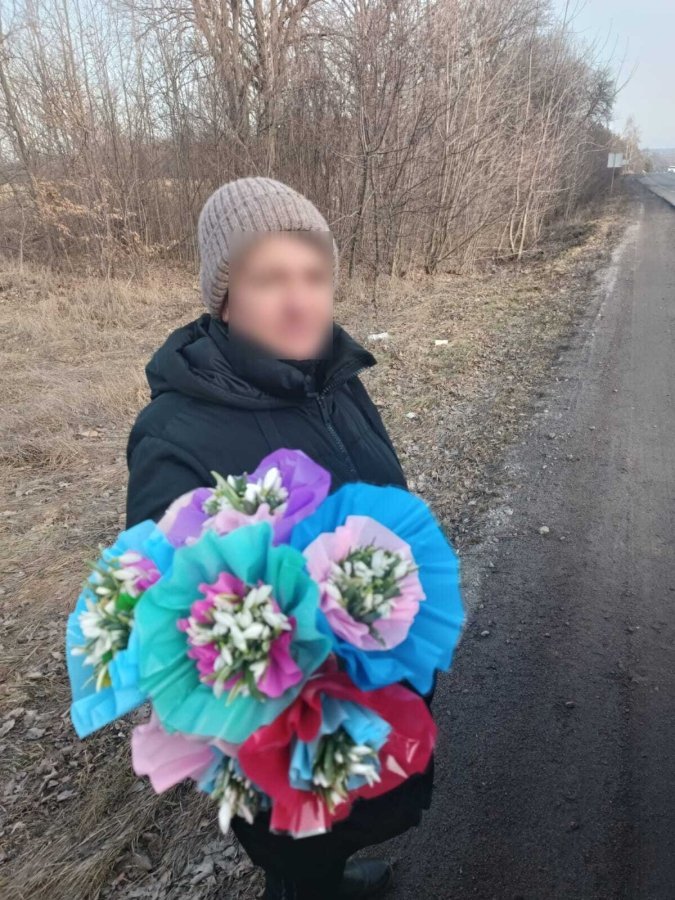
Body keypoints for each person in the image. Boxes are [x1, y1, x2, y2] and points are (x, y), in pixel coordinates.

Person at [125, 177, 434, 899]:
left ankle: (328, 873)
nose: (301, 301)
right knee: (302, 845)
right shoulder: (175, 434)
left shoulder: (333, 379)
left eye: (314, 276)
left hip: (375, 683)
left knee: (350, 816)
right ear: (225, 298)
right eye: (270, 279)